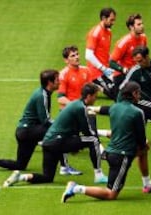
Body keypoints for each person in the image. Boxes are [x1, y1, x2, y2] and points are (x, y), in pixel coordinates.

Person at [61, 81, 151, 203]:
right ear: (134, 93)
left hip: (112, 152)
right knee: (111, 194)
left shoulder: (114, 107)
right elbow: (141, 139)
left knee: (144, 150)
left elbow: (105, 109)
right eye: (138, 93)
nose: (140, 96)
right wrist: (142, 145)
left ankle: (148, 185)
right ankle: (76, 188)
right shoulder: (137, 112)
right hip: (121, 156)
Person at [2, 83, 108, 187]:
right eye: (95, 96)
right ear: (89, 96)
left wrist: (76, 142)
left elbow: (75, 128)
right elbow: (87, 131)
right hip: (58, 142)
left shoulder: (74, 104)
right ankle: (98, 175)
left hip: (48, 143)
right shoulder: (81, 108)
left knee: (47, 177)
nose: (95, 99)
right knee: (93, 140)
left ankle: (20, 177)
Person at [0, 69, 59, 172]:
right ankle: (65, 166)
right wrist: (64, 123)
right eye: (57, 79)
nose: (59, 81)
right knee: (59, 133)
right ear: (50, 82)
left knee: (20, 165)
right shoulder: (42, 96)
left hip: (25, 132)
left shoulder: (44, 93)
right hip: (28, 131)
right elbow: (45, 121)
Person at [56, 45, 92, 176]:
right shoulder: (63, 74)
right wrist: (75, 106)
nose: (77, 57)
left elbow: (90, 92)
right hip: (68, 114)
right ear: (66, 60)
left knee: (87, 138)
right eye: (72, 55)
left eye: (77, 54)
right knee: (63, 140)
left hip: (82, 113)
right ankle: (64, 167)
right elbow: (60, 98)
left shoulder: (86, 71)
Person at [109, 13, 147, 95]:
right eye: (139, 24)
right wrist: (124, 70)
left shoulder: (143, 38)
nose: (142, 26)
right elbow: (111, 62)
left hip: (137, 74)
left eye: (142, 23)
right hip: (122, 77)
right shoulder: (124, 42)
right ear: (131, 27)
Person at [85, 7, 117, 100]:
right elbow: (88, 55)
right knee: (115, 94)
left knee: (123, 85)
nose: (113, 23)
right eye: (111, 20)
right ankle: (94, 84)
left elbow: (105, 51)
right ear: (103, 18)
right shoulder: (95, 33)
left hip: (106, 69)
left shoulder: (108, 32)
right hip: (96, 73)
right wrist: (103, 68)